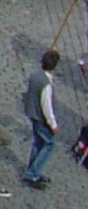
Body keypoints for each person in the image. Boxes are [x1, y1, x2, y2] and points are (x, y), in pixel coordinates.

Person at [25, 48, 63, 188]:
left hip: (33, 114)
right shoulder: (46, 84)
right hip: (41, 119)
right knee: (49, 145)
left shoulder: (35, 74)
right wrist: (53, 125)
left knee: (38, 143)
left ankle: (32, 170)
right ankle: (33, 173)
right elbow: (46, 106)